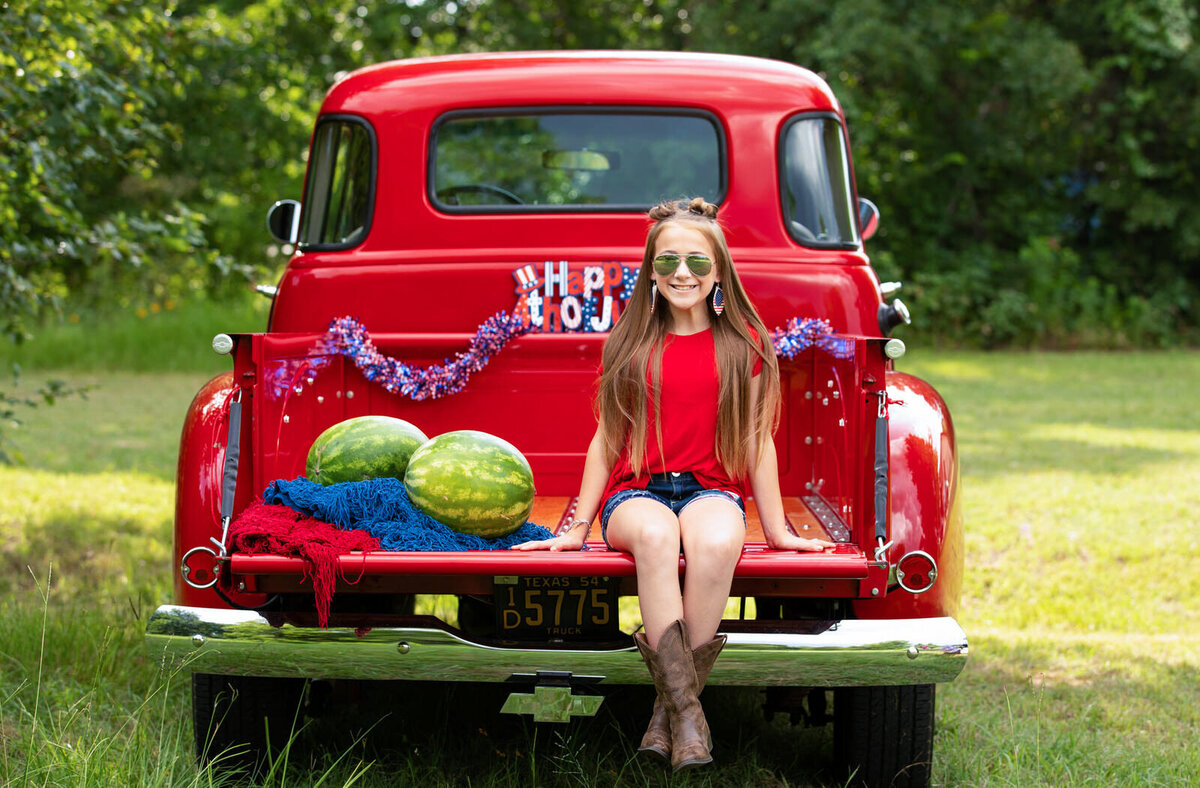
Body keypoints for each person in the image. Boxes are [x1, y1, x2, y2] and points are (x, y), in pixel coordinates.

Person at [512, 197, 833, 771]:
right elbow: (606, 441)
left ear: (718, 272)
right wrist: (576, 528)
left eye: (695, 262)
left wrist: (780, 533)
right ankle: (688, 716)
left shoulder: (746, 345)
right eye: (666, 263)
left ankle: (669, 714)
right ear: (651, 273)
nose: (681, 273)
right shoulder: (631, 344)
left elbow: (758, 442)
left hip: (710, 487)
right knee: (657, 538)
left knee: (715, 542)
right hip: (635, 494)